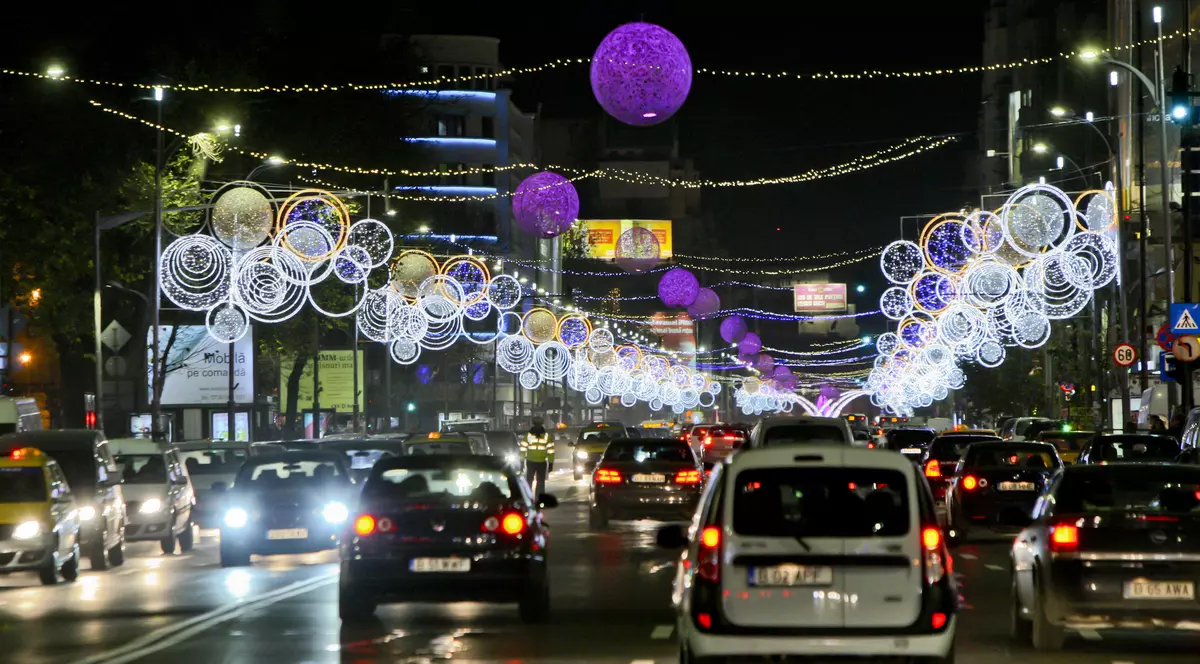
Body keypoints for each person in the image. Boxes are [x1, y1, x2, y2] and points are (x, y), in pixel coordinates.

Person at [521, 416, 554, 494]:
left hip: (531, 462)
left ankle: (528, 499)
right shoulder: (546, 436)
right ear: (542, 424)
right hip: (541, 462)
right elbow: (551, 451)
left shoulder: (528, 436)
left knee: (529, 482)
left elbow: (522, 449)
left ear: (533, 424)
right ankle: (539, 500)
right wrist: (551, 463)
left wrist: (521, 462)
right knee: (540, 483)